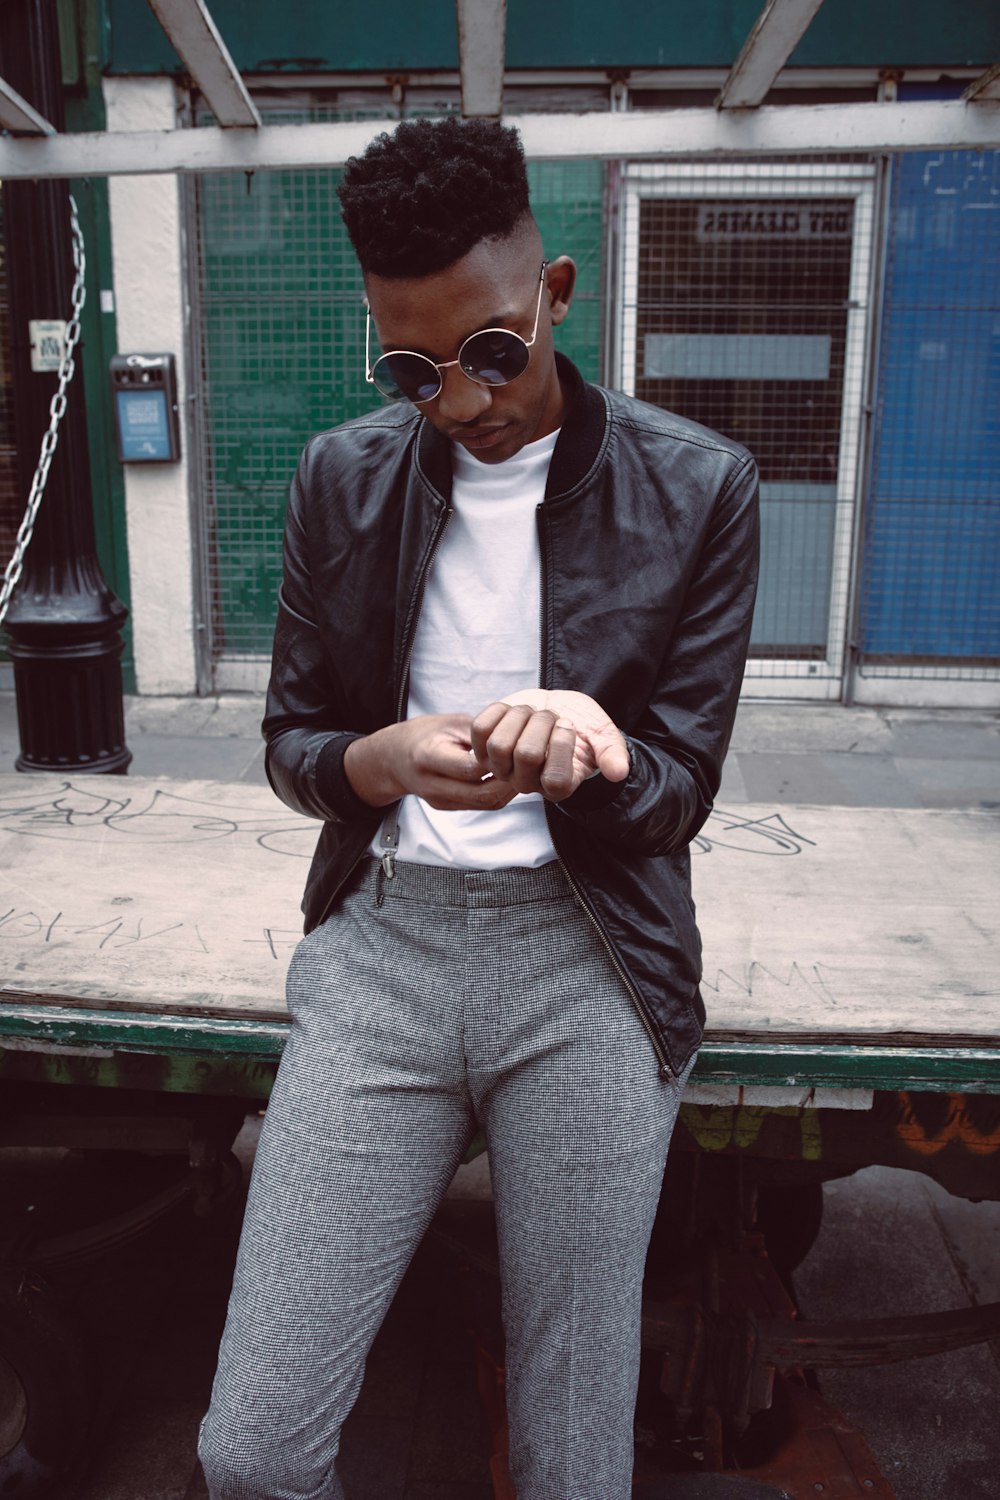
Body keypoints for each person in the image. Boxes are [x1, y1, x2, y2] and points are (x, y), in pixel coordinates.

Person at [199, 116, 759, 1500]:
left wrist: (602, 750)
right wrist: (377, 762)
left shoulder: (701, 490)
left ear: (556, 291)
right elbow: (294, 743)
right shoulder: (342, 478)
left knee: (575, 1462)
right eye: (412, 367)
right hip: (385, 951)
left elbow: (680, 791)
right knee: (251, 1452)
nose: (458, 399)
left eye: (493, 349)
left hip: (590, 957)